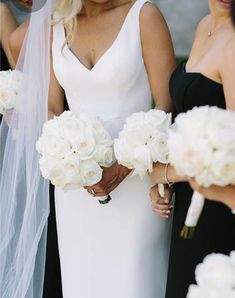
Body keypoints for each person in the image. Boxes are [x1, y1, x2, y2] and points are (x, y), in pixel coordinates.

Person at [9, 0, 175, 297]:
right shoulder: (55, 26)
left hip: (137, 182)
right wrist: (63, 149)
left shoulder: (143, 14)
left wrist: (122, 167)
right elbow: (52, 108)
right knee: (83, 284)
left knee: (136, 283)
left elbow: (166, 104)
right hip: (77, 185)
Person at [149, 0, 235, 297]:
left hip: (220, 206)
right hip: (190, 196)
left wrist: (167, 174)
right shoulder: (205, 26)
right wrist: (168, 179)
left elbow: (232, 146)